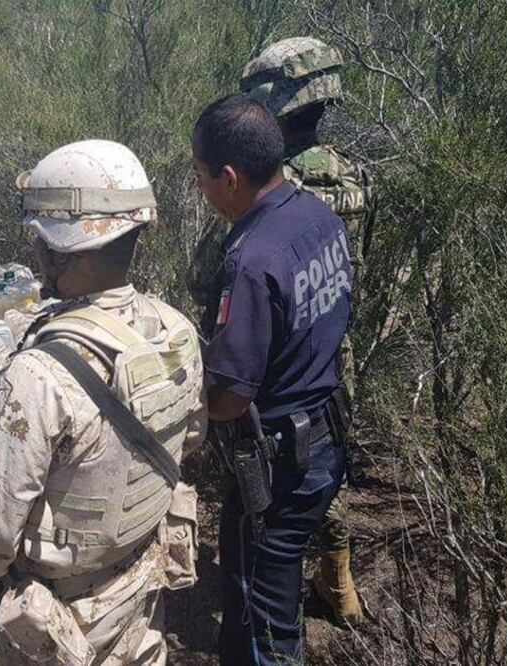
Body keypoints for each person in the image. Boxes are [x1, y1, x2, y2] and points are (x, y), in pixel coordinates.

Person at [0, 139, 206, 665]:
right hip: (141, 582)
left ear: (55, 249)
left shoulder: (38, 374)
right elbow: (191, 438)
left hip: (61, 621)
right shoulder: (176, 330)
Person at [188, 36, 372, 625]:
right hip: (331, 348)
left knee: (266, 524)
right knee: (326, 470)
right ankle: (337, 575)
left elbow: (209, 274)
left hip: (270, 371)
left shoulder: (264, 190)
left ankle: (281, 599)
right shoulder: (350, 173)